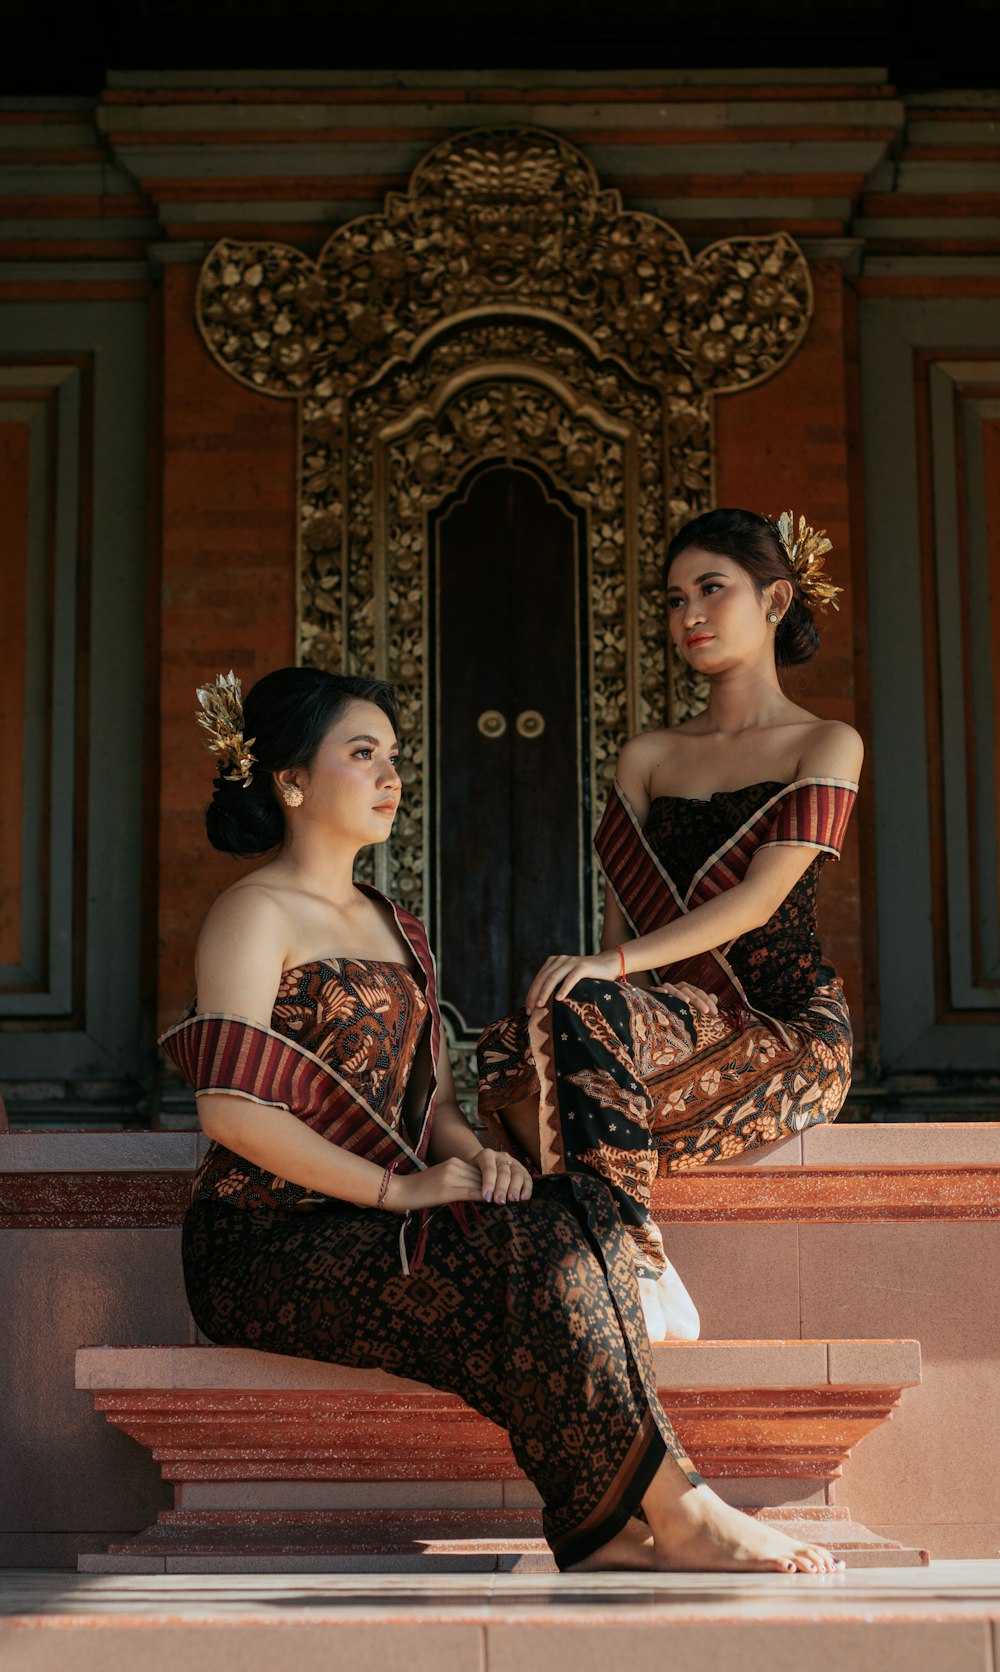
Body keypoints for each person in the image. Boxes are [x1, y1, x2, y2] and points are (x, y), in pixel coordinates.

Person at [160, 662, 841, 1576]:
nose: (391, 776)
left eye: (394, 756)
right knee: (523, 1259)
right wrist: (398, 1189)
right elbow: (230, 1113)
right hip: (262, 1243)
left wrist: (481, 1159)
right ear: (289, 782)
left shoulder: (400, 926)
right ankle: (681, 1514)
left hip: (373, 1220)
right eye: (362, 755)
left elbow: (429, 1105)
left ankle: (606, 1527)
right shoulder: (250, 916)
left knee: (561, 1222)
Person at [477, 509, 863, 1343]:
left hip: (783, 1031)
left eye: (712, 590)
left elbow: (758, 902)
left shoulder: (827, 743)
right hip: (669, 1031)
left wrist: (609, 968)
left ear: (775, 598)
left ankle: (624, 1254)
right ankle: (618, 1235)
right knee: (509, 1052)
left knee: (582, 1010)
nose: (689, 614)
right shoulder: (647, 757)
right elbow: (627, 917)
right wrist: (609, 1004)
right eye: (674, 597)